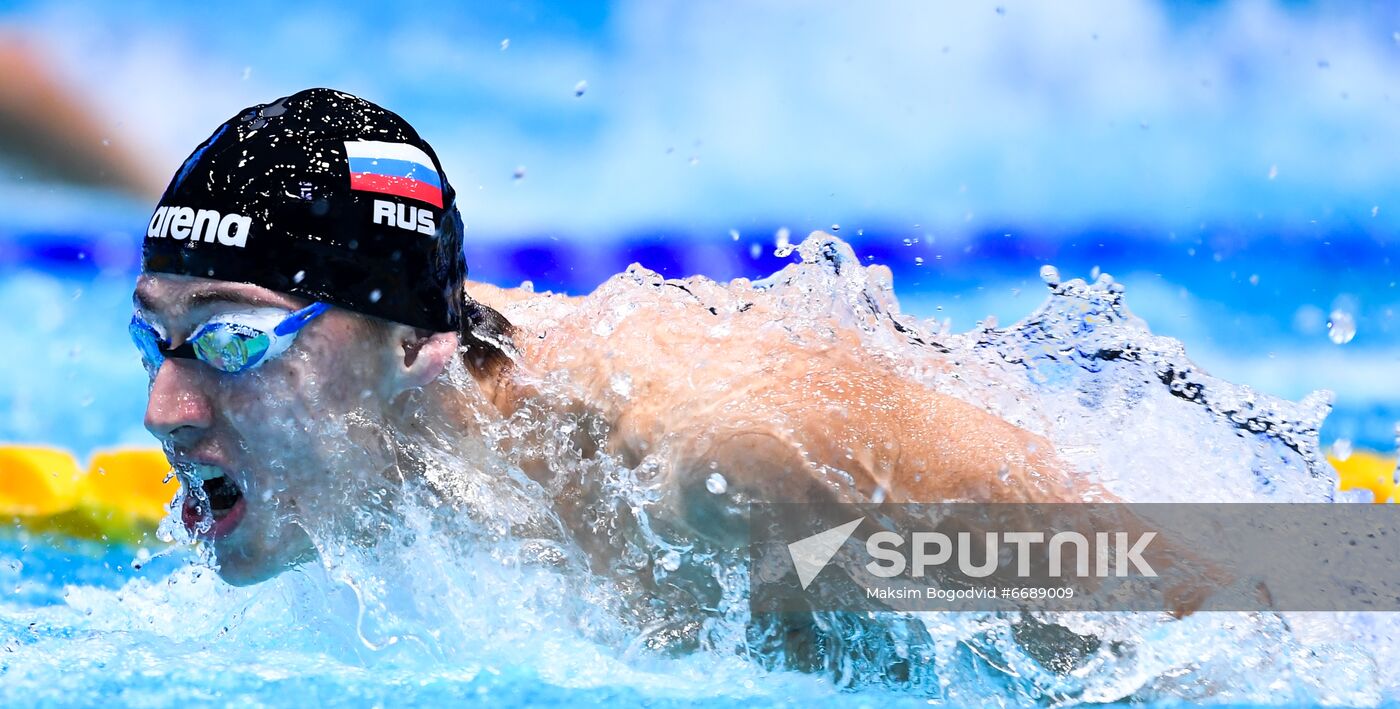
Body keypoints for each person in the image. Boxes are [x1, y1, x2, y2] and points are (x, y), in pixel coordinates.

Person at [132, 88, 1095, 591]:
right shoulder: (375, 458)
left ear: (412, 344)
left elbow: (1171, 587)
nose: (164, 411)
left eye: (232, 343)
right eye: (158, 342)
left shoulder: (716, 467)